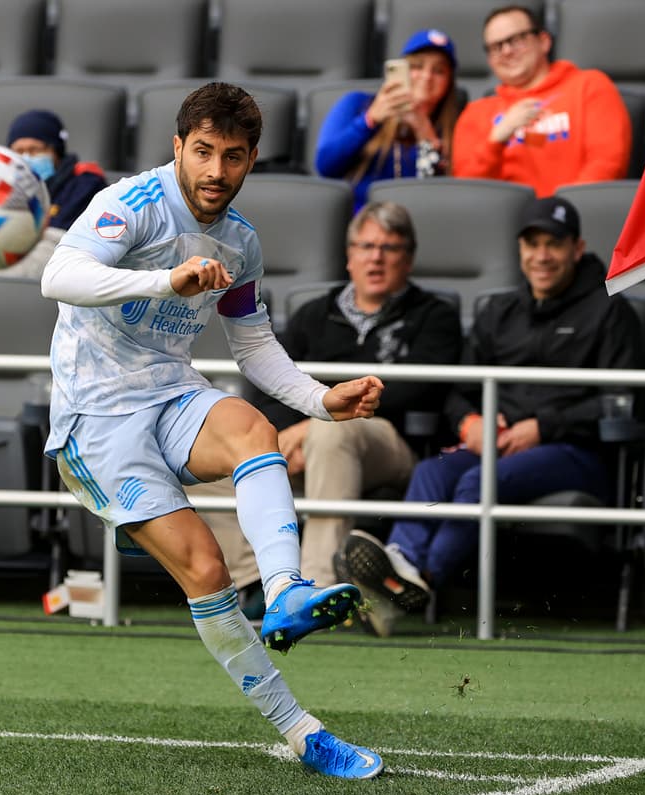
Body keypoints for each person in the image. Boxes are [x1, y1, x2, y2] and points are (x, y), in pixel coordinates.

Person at [41, 82, 387, 779]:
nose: (215, 171)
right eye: (202, 152)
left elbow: (252, 344)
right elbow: (59, 276)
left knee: (253, 427)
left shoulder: (241, 241)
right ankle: (302, 732)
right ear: (177, 147)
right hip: (96, 418)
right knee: (204, 570)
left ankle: (285, 590)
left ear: (252, 158)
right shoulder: (131, 204)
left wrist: (321, 401)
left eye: (232, 156)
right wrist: (165, 282)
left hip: (170, 392)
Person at [334, 196, 644, 616]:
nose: (541, 256)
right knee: (431, 472)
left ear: (577, 248)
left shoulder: (610, 310)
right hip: (499, 445)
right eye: (532, 244)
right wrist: (469, 422)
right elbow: (458, 389)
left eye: (553, 244)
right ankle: (399, 565)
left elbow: (621, 401)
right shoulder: (500, 311)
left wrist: (543, 427)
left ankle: (419, 580)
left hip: (577, 452)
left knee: (476, 481)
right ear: (520, 250)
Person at [189, 201, 462, 612]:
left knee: (333, 433)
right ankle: (258, 583)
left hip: (391, 446)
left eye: (389, 248)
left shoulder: (434, 316)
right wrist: (287, 436)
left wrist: (315, 425)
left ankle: (314, 589)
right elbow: (269, 386)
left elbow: (423, 390)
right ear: (349, 256)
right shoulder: (313, 314)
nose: (375, 258)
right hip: (306, 443)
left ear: (408, 259)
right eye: (366, 247)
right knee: (201, 465)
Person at [451, 4, 631, 197]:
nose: (506, 51)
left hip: (575, 212)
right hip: (502, 215)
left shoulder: (589, 86)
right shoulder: (475, 113)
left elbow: (607, 164)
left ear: (544, 41)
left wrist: (561, 210)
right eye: (496, 47)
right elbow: (468, 192)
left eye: (516, 40)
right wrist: (496, 140)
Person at [315, 28, 461, 209]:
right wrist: (370, 120)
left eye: (439, 71)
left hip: (419, 220)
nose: (427, 76)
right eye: (417, 66)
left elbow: (439, 198)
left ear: (449, 83)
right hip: (360, 218)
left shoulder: (455, 126)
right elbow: (325, 166)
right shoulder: (357, 103)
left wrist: (426, 135)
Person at [0, 109, 110, 280]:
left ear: (55, 151)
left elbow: (59, 239)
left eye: (35, 150)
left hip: (57, 263)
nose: (26, 157)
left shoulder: (85, 182)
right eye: (18, 151)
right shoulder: (3, 185)